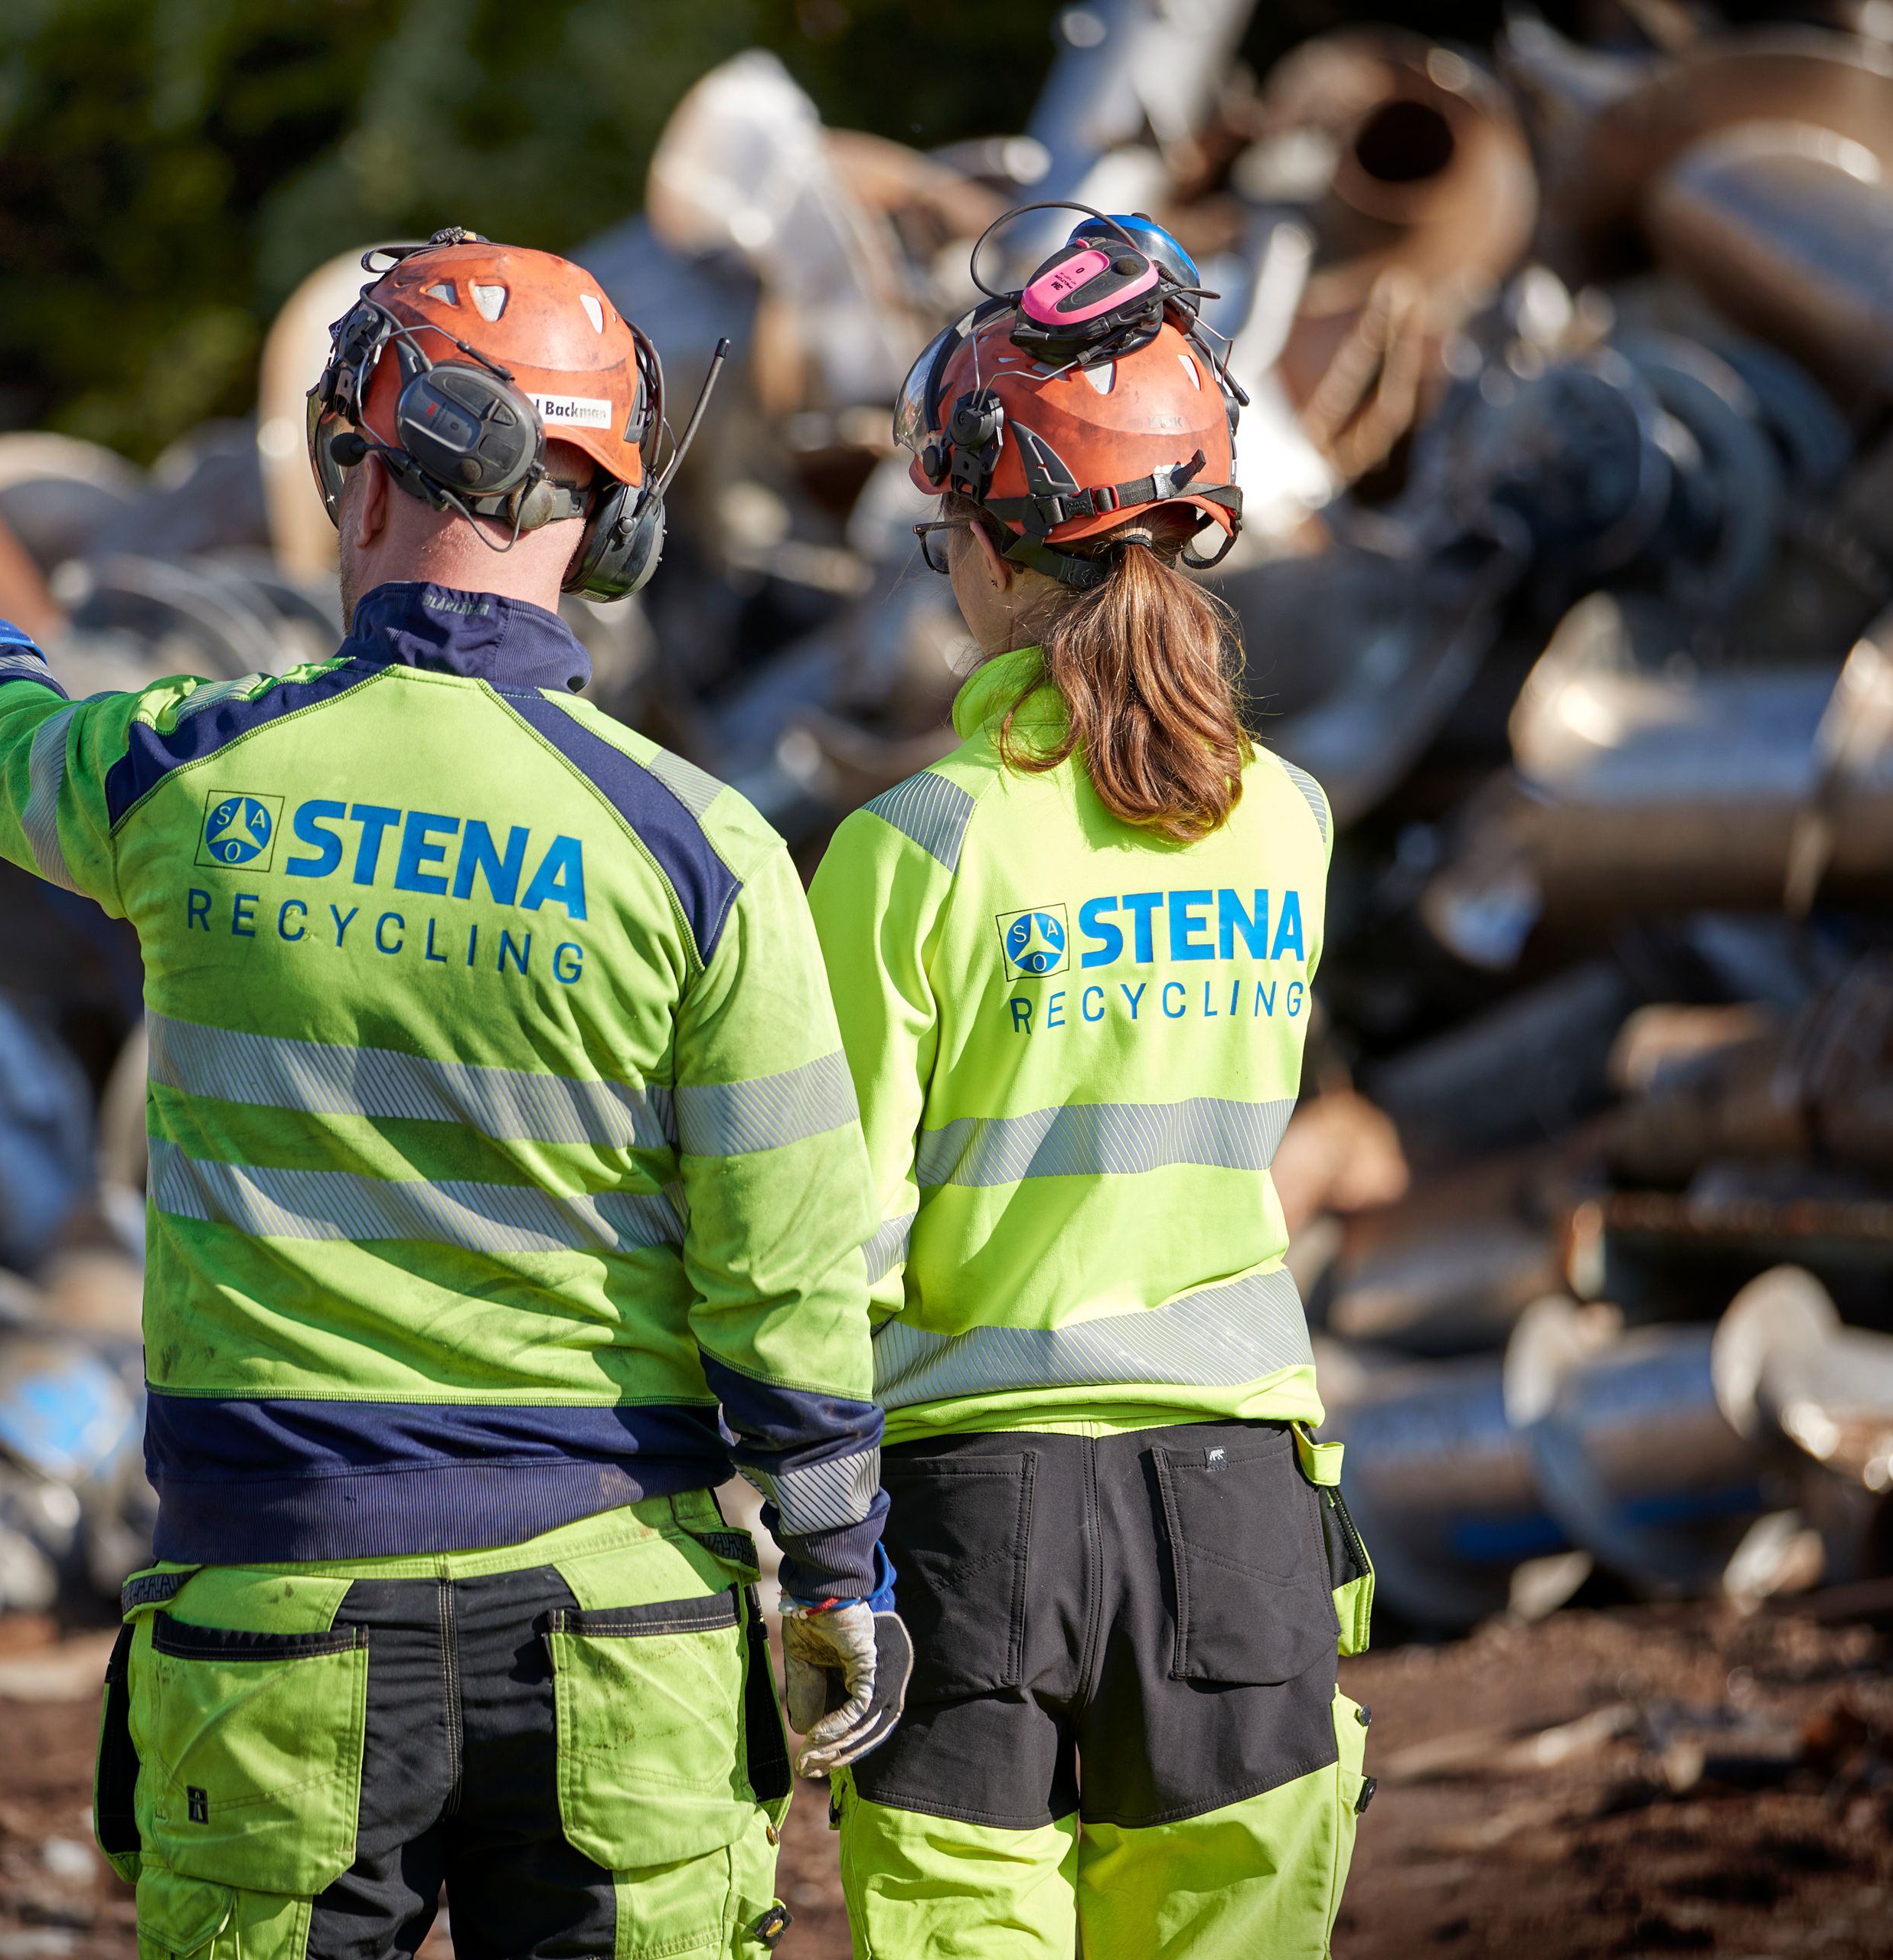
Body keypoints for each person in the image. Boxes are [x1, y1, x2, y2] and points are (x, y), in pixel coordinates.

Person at [0, 230, 908, 1960]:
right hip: (625, 1640)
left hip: (275, 1626)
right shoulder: (698, 848)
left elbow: (8, 763)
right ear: (612, 517)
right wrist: (833, 1558)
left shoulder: (182, 771)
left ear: (363, 468)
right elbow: (787, 1262)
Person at [806, 211, 1376, 1958]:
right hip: (1238, 1509)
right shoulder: (1287, 820)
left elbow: (822, 1238)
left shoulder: (912, 848)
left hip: (977, 1519)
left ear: (989, 540)